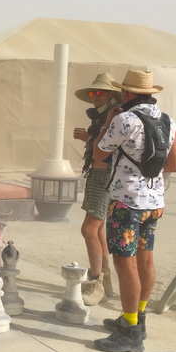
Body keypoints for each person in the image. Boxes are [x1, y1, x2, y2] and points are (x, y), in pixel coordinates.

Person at [92, 68, 176, 352]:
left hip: (126, 202)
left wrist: (107, 122)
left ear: (127, 94)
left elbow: (99, 153)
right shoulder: (169, 121)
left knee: (124, 263)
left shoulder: (124, 119)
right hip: (154, 203)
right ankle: (138, 317)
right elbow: (174, 165)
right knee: (145, 260)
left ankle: (130, 331)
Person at [72, 73, 120, 305]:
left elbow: (109, 142)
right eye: (93, 93)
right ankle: (104, 279)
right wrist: (89, 137)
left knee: (89, 229)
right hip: (99, 174)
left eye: (100, 93)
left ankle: (96, 280)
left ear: (111, 95)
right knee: (98, 229)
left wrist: (89, 135)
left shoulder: (115, 114)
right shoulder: (104, 116)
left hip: (105, 176)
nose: (95, 97)